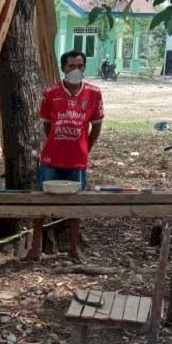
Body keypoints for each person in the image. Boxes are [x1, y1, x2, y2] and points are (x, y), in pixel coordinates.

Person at [28, 50, 104, 261]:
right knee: (42, 202)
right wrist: (59, 143)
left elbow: (95, 127)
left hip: (77, 160)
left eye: (80, 66)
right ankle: (35, 247)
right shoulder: (50, 93)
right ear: (63, 68)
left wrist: (83, 148)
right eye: (71, 66)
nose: (76, 71)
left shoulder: (94, 93)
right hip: (51, 158)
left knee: (76, 204)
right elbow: (46, 126)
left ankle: (73, 247)